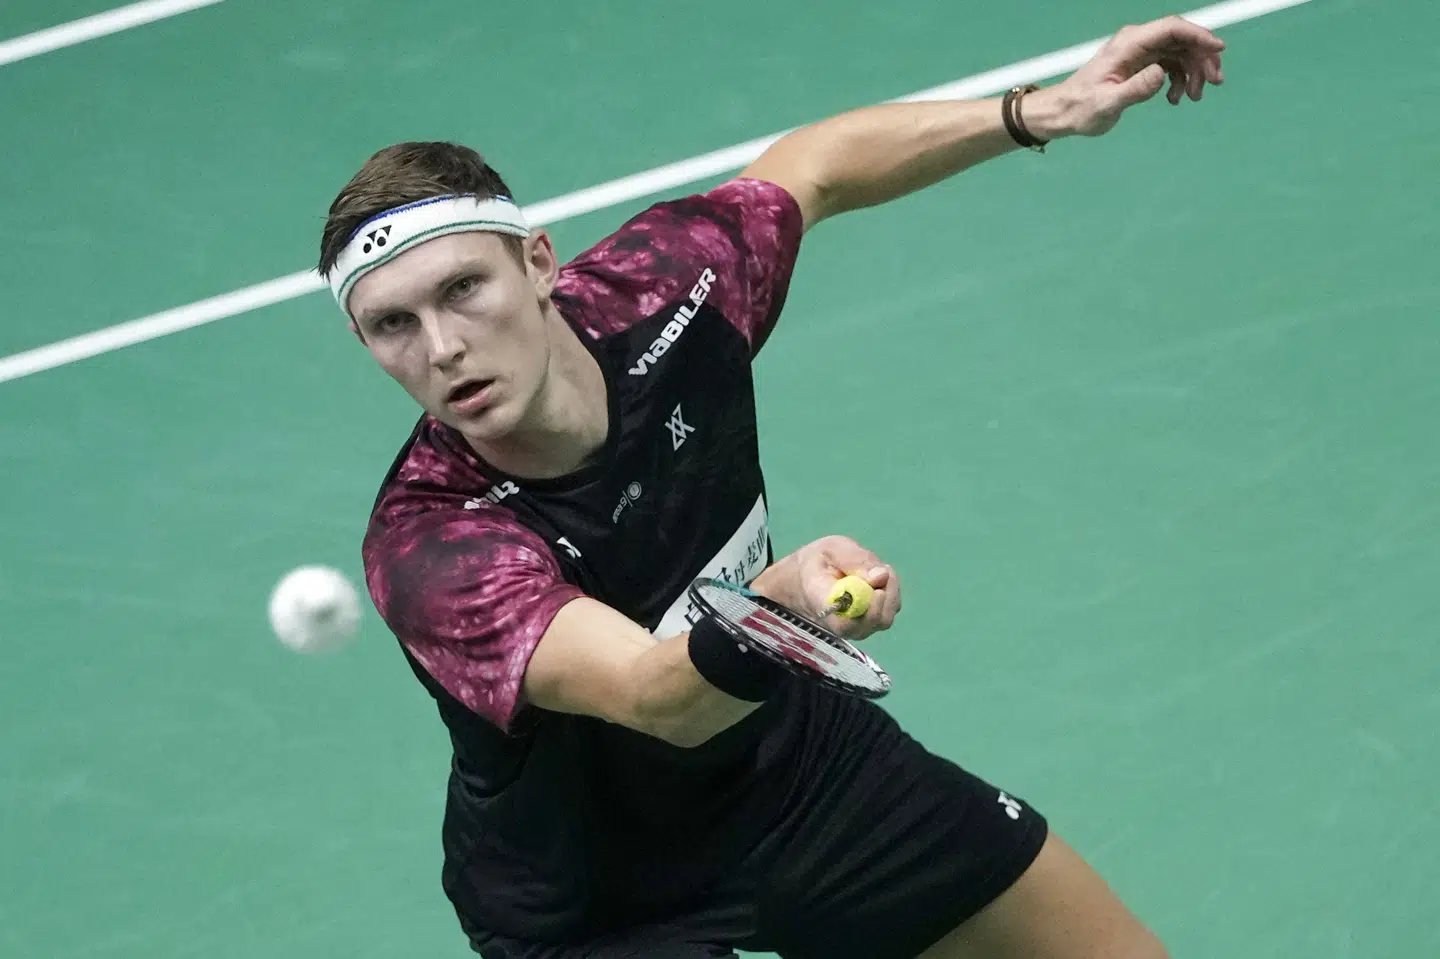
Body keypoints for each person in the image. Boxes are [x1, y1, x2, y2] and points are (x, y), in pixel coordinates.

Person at [316, 16, 1224, 958]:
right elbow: (653, 696)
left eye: (464, 288)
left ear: (539, 263)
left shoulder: (662, 291)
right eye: (393, 324)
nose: (442, 345)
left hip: (793, 771)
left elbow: (815, 168)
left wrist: (1039, 109)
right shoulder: (433, 545)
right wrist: (769, 612)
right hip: (599, 904)